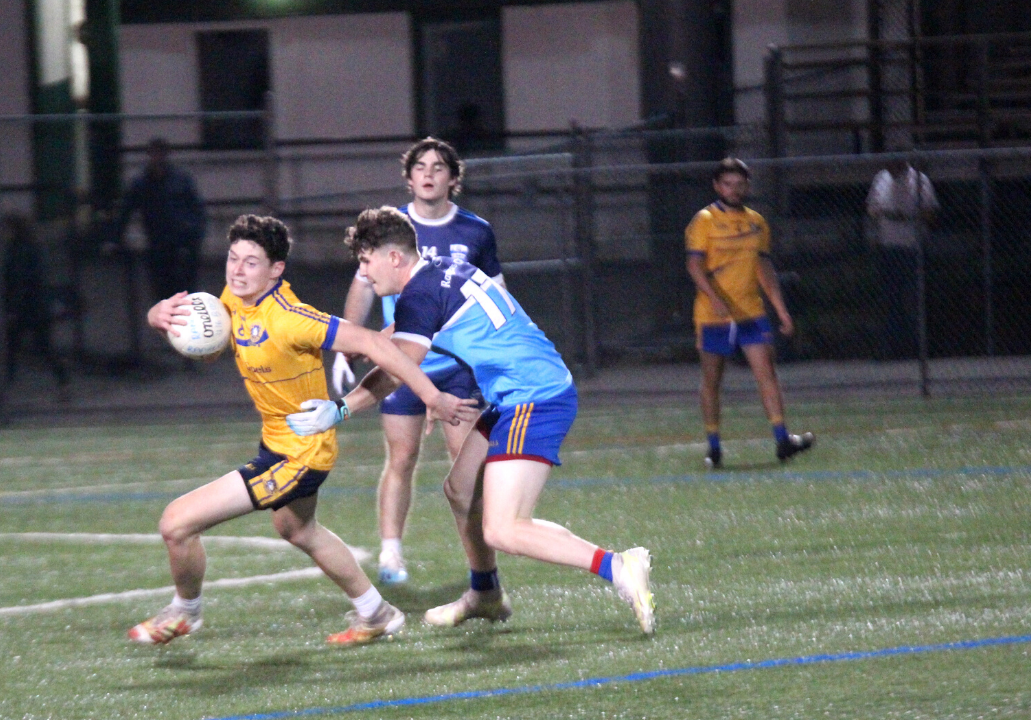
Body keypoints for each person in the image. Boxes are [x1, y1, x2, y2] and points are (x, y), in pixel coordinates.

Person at [290, 207, 655, 636]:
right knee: (460, 490)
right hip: (516, 393)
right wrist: (363, 357)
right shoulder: (443, 269)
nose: (363, 273)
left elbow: (395, 370)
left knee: (503, 528)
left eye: (366, 261)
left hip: (533, 398)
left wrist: (341, 409)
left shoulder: (420, 295)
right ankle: (485, 594)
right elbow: (395, 343)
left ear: (394, 258)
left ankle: (616, 565)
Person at [128, 214, 476, 647]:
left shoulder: (293, 318)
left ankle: (185, 613)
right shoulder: (230, 301)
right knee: (297, 530)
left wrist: (430, 396)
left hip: (300, 454)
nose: (237, 270)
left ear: (276, 270)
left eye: (251, 263)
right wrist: (156, 316)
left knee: (176, 523)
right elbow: (212, 351)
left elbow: (373, 343)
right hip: (279, 442)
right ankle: (377, 612)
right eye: (233, 259)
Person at [331, 137, 502, 585]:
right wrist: (352, 342)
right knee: (402, 456)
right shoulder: (392, 227)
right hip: (400, 361)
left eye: (438, 166)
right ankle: (391, 554)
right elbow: (364, 284)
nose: (428, 173)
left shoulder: (475, 231)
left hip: (456, 365)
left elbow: (496, 296)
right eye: (420, 166)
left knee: (464, 467)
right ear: (408, 177)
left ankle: (481, 563)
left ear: (453, 177)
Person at [685, 158, 814, 469]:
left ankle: (783, 439)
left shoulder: (757, 221)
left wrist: (781, 309)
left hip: (751, 313)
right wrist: (713, 297)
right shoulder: (704, 220)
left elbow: (763, 267)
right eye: (728, 184)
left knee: (767, 373)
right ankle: (713, 447)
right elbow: (694, 265)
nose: (734, 190)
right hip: (714, 315)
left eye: (740, 184)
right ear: (717, 186)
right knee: (713, 379)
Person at [866, 153, 938, 360]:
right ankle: (890, 349)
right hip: (888, 247)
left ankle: (918, 351)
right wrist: (882, 214)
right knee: (890, 301)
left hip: (911, 248)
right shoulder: (881, 178)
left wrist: (907, 216)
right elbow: (871, 207)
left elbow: (931, 212)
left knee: (914, 301)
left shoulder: (918, 180)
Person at [118, 138, 206, 302]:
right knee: (164, 285)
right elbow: (126, 211)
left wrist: (195, 233)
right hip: (160, 241)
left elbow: (197, 208)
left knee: (180, 285)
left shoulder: (150, 182)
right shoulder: (146, 183)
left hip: (179, 239)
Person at [0, 213, 68, 393]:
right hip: (35, 306)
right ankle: (62, 380)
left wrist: (13, 307)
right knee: (40, 347)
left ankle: (7, 385)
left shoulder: (18, 250)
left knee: (17, 347)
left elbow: (19, 280)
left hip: (27, 307)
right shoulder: (29, 247)